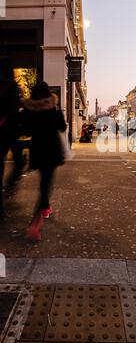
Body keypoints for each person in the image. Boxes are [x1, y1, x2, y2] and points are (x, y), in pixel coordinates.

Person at [21, 82, 67, 241]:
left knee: (44, 182)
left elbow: (25, 130)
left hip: (37, 149)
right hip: (51, 149)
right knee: (45, 185)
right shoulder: (52, 107)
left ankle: (46, 207)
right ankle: (34, 225)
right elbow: (61, 127)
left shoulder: (29, 109)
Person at [0, 58, 25, 223]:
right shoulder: (11, 86)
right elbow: (15, 110)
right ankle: (8, 188)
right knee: (20, 162)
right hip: (10, 132)